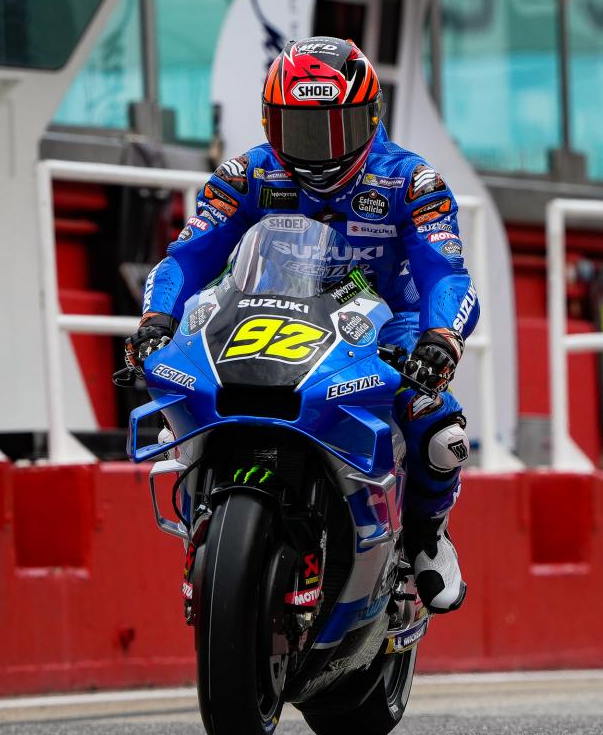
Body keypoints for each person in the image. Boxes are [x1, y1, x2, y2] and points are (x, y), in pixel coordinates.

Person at [123, 37, 478, 614]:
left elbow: (447, 274)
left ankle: (427, 537)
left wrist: (440, 338)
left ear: (371, 118)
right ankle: (207, 519)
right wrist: (157, 319)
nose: (318, 151)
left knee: (439, 431)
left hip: (388, 324)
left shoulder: (411, 182)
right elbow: (186, 257)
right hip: (267, 311)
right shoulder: (247, 174)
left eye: (334, 130)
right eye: (301, 130)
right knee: (180, 398)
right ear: (271, 122)